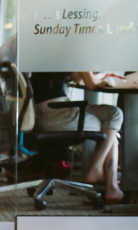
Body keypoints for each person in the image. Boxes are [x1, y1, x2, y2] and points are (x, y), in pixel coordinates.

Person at [31, 72, 126, 203]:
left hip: (43, 111)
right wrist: (101, 76)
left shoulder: (51, 55)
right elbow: (91, 85)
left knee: (112, 120)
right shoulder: (72, 53)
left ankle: (111, 186)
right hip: (56, 113)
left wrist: (99, 76)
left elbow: (78, 79)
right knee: (111, 122)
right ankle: (99, 172)